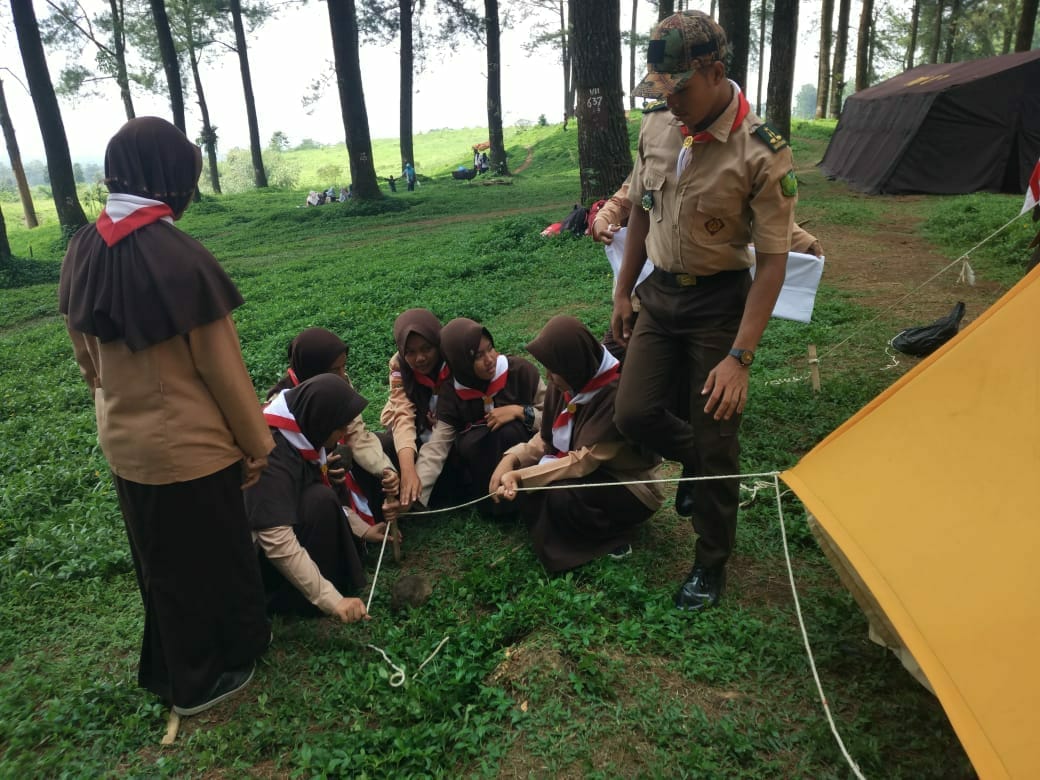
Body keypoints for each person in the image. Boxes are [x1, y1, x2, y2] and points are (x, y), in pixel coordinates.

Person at [58, 116, 273, 716]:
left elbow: (87, 358)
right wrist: (256, 444)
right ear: (169, 176)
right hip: (191, 448)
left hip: (126, 444)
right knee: (210, 559)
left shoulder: (85, 245)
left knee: (161, 560)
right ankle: (202, 678)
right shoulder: (178, 256)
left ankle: (185, 666)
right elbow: (221, 369)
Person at [611, 11, 798, 611]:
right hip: (659, 294)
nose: (671, 104)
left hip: (720, 303)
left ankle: (710, 563)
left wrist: (740, 357)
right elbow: (641, 207)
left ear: (715, 72)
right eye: (660, 92)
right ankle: (695, 461)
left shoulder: (762, 152)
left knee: (718, 439)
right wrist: (623, 289)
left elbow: (771, 263)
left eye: (680, 90)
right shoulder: (660, 129)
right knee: (635, 413)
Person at [489, 316, 664, 571]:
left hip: (627, 484)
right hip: (587, 469)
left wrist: (521, 476)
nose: (548, 376)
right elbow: (548, 437)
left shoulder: (615, 395)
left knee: (560, 495)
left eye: (555, 369)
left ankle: (612, 536)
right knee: (540, 492)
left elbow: (584, 461)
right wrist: (512, 458)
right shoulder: (567, 382)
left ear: (574, 364)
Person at [245, 375, 381, 622]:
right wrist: (332, 600)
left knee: (320, 497)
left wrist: (363, 530)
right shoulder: (271, 452)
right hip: (252, 561)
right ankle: (288, 601)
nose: (343, 434)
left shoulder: (300, 433)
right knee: (319, 501)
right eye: (340, 427)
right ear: (321, 420)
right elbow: (275, 538)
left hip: (277, 533)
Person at [266, 327, 400, 544]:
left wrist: (385, 470)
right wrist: (322, 467)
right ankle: (352, 530)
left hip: (343, 460)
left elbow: (356, 433)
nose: (341, 375)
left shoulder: (338, 382)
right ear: (312, 368)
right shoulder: (281, 406)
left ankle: (382, 512)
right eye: (334, 370)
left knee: (385, 445)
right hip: (314, 475)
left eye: (343, 367)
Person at [414, 317, 545, 512]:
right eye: (477, 356)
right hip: (483, 471)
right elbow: (437, 446)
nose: (489, 359)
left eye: (490, 348)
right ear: (460, 361)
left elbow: (554, 420)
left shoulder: (520, 371)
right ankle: (492, 503)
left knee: (508, 431)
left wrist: (520, 412)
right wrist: (415, 494)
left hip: (527, 460)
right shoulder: (451, 393)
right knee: (475, 439)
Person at [378, 309, 462, 509]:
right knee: (389, 442)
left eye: (427, 349)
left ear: (438, 343)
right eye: (411, 352)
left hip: (451, 431)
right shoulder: (399, 366)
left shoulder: (454, 358)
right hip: (419, 428)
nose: (420, 358)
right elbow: (403, 415)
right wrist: (408, 471)